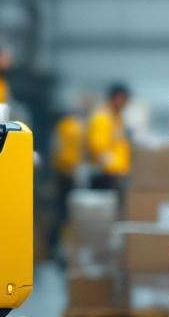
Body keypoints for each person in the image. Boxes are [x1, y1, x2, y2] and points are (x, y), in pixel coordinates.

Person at [48, 95, 90, 262]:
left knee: (63, 213)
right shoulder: (74, 127)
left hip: (64, 172)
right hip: (68, 173)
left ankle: (60, 249)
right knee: (66, 214)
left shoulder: (65, 126)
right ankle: (62, 249)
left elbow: (56, 149)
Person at [87, 83, 131, 206]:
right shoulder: (102, 118)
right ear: (116, 98)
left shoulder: (116, 118)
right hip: (106, 177)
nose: (125, 103)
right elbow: (98, 148)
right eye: (124, 99)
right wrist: (112, 168)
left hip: (116, 174)